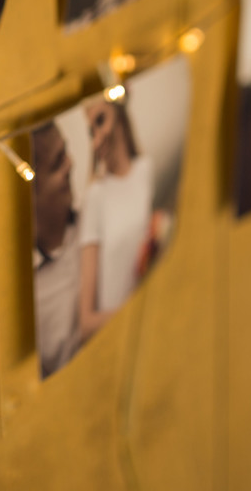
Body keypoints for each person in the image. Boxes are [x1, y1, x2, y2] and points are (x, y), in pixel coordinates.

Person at [77, 96, 165, 340]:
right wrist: (137, 310)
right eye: (90, 130)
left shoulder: (147, 169)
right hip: (119, 336)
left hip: (154, 328)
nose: (97, 139)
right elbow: (86, 322)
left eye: (101, 120)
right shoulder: (95, 196)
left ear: (118, 112)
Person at [30, 122, 84, 379]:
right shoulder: (27, 301)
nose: (71, 164)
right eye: (58, 163)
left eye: (66, 152)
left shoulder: (97, 221)